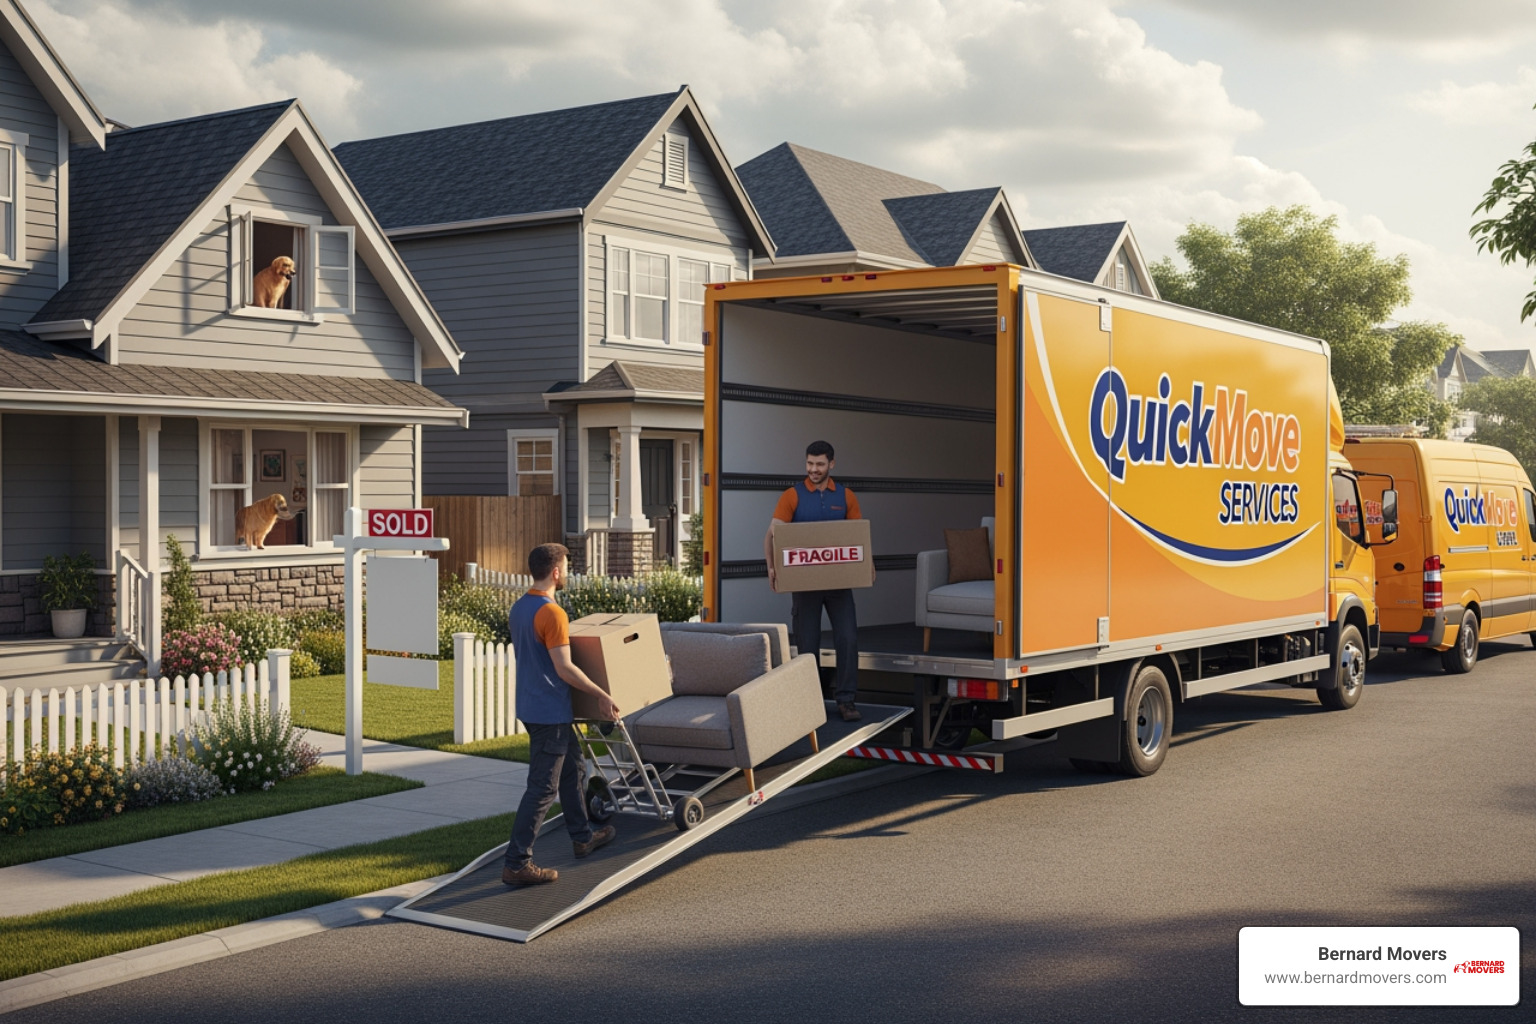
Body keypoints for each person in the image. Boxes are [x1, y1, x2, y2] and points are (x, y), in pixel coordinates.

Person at [503, 542, 619, 886]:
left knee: (574, 769)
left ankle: (583, 837)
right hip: (549, 712)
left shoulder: (520, 607)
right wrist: (600, 694)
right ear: (555, 572)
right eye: (565, 567)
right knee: (542, 789)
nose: (567, 572)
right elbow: (564, 668)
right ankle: (517, 862)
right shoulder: (552, 613)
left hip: (532, 706)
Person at [765, 440, 866, 722]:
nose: (813, 469)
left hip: (838, 585)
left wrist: (867, 564)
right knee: (807, 644)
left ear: (831, 464)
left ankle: (846, 701)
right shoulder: (792, 496)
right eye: (810, 463)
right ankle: (810, 703)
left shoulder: (846, 497)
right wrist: (772, 567)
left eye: (820, 464)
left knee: (848, 639)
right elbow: (772, 535)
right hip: (805, 587)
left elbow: (858, 537)